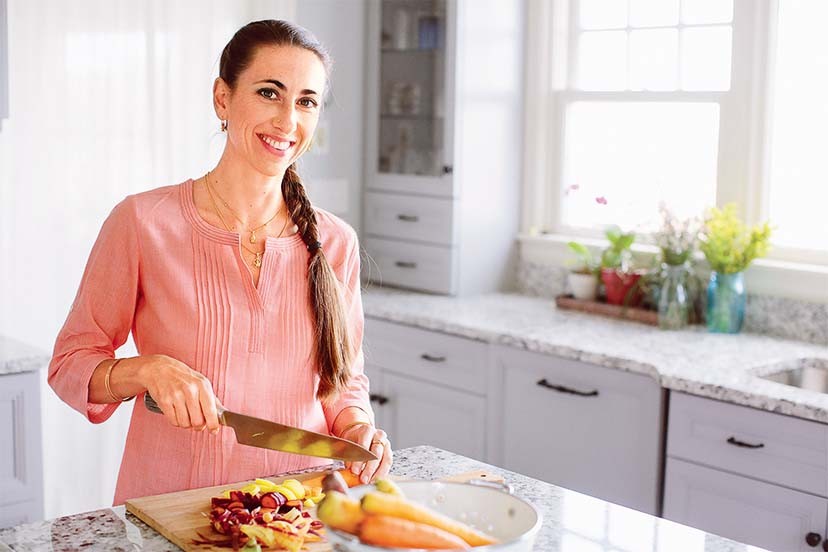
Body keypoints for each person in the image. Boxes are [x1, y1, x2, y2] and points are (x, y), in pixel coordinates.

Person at [48, 19, 391, 505]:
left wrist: (357, 428)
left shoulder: (335, 242)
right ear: (222, 99)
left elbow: (343, 381)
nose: (287, 121)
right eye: (269, 93)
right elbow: (69, 365)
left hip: (297, 512)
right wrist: (147, 370)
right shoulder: (143, 222)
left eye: (306, 102)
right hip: (168, 509)